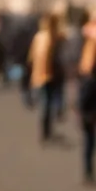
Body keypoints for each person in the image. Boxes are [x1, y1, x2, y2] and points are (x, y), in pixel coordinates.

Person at [77, 21, 96, 184]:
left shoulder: (86, 70)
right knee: (91, 141)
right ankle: (89, 169)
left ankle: (89, 169)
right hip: (91, 109)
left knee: (89, 141)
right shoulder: (94, 74)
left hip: (89, 109)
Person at [27, 14, 65, 142]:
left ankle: (45, 131)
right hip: (48, 75)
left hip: (38, 75)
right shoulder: (51, 38)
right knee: (46, 105)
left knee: (45, 104)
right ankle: (45, 132)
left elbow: (31, 57)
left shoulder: (38, 37)